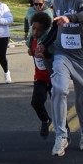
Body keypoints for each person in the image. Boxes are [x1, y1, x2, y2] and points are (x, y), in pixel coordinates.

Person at [37, 0, 83, 156]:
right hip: (62, 55)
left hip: (82, 58)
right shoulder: (58, 2)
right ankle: (61, 136)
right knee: (58, 90)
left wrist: (71, 18)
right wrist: (44, 44)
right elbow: (56, 28)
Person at [27, 10, 54, 138]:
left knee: (57, 105)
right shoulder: (32, 40)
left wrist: (46, 55)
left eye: (39, 30)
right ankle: (45, 120)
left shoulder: (49, 41)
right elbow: (32, 50)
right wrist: (31, 52)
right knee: (36, 102)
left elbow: (55, 56)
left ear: (46, 30)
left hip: (53, 77)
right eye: (33, 28)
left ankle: (64, 130)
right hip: (40, 76)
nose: (35, 32)